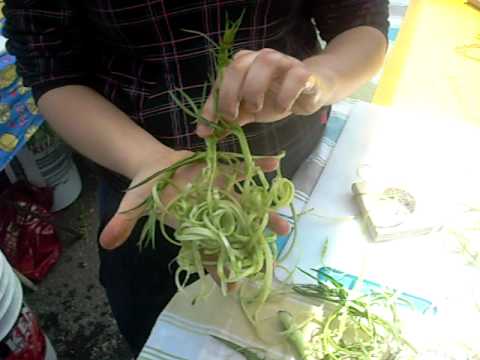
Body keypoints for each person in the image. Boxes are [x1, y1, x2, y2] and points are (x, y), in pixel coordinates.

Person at [3, 0, 389, 356]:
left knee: (295, 303)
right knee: (156, 321)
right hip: (143, 180)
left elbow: (360, 20)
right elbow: (51, 67)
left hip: (290, 154)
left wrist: (318, 79)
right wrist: (149, 161)